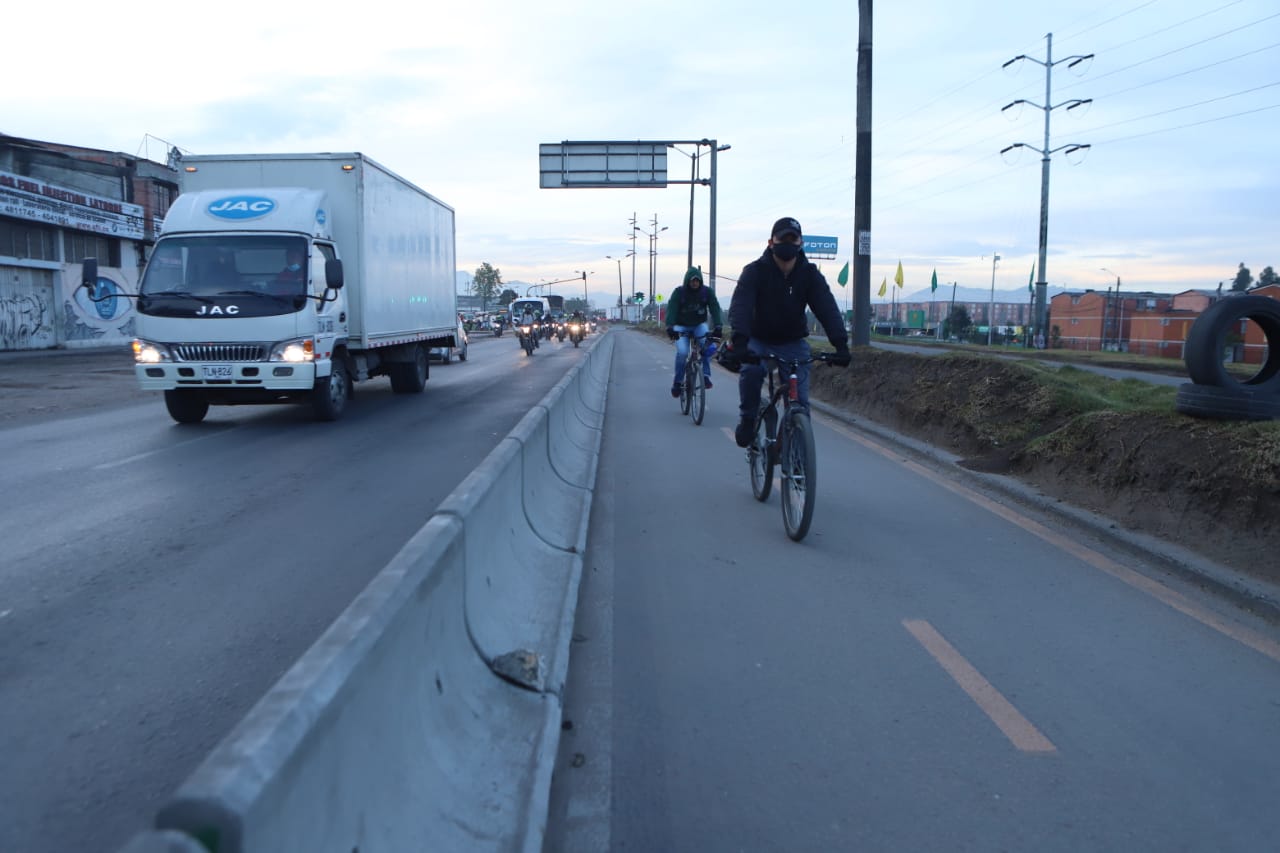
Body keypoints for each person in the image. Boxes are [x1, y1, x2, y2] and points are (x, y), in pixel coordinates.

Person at [723, 217, 851, 447]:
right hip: (758, 339)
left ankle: (797, 452)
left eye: (794, 239)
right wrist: (740, 342)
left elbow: (826, 307)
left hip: (793, 342)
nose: (788, 244)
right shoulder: (755, 271)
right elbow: (741, 306)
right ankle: (748, 419)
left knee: (800, 403)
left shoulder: (809, 274)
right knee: (752, 371)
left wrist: (840, 344)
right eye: (783, 239)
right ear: (771, 242)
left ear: (800, 243)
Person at [664, 267, 724, 396]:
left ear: (700, 281)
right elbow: (672, 309)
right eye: (692, 281)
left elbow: (714, 307)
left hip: (698, 325)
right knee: (682, 352)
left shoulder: (706, 292)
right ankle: (678, 382)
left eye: (697, 281)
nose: (695, 283)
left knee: (707, 347)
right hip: (681, 326)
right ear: (687, 281)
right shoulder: (679, 293)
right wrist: (670, 327)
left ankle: (706, 376)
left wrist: (718, 325)